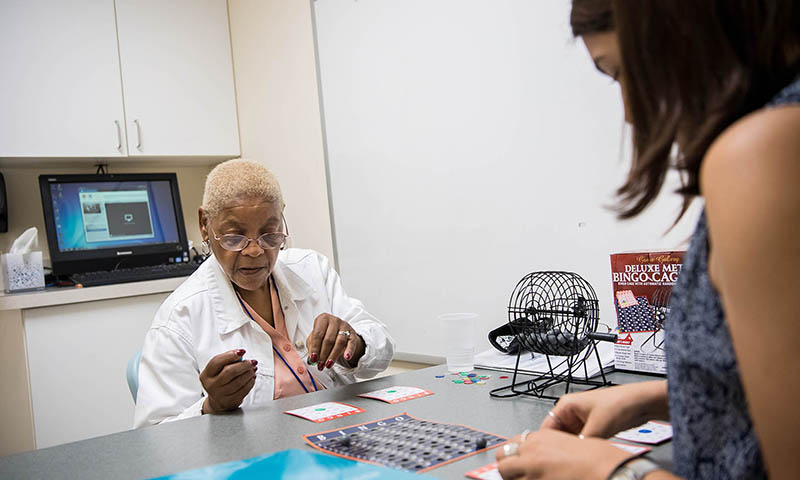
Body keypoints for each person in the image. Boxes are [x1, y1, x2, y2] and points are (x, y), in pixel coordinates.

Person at [496, 1, 800, 479]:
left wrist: (611, 471)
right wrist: (668, 396)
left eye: (622, 73)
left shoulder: (763, 154)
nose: (632, 113)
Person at [134, 159, 395, 427]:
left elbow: (382, 347)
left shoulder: (312, 270)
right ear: (205, 225)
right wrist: (211, 406)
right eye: (234, 237)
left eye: (270, 235)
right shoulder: (179, 318)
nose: (255, 251)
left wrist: (353, 342)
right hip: (255, 459)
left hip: (340, 433)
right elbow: (155, 437)